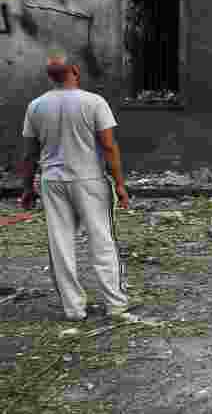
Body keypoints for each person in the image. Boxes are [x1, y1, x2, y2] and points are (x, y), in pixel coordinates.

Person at [18, 51, 132, 321]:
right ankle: (115, 305)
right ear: (76, 71)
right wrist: (119, 184)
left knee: (60, 244)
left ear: (49, 77)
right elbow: (108, 145)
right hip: (89, 178)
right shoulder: (94, 102)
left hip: (53, 181)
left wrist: (26, 188)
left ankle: (73, 309)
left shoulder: (36, 106)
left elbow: (29, 154)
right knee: (102, 240)